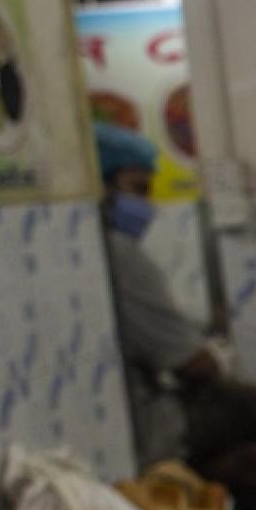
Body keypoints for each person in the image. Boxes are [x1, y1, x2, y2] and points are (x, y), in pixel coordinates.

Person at [95, 121, 221, 466]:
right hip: (148, 439)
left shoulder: (91, 251)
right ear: (100, 186)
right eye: (138, 188)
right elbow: (193, 363)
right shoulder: (118, 252)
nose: (146, 204)